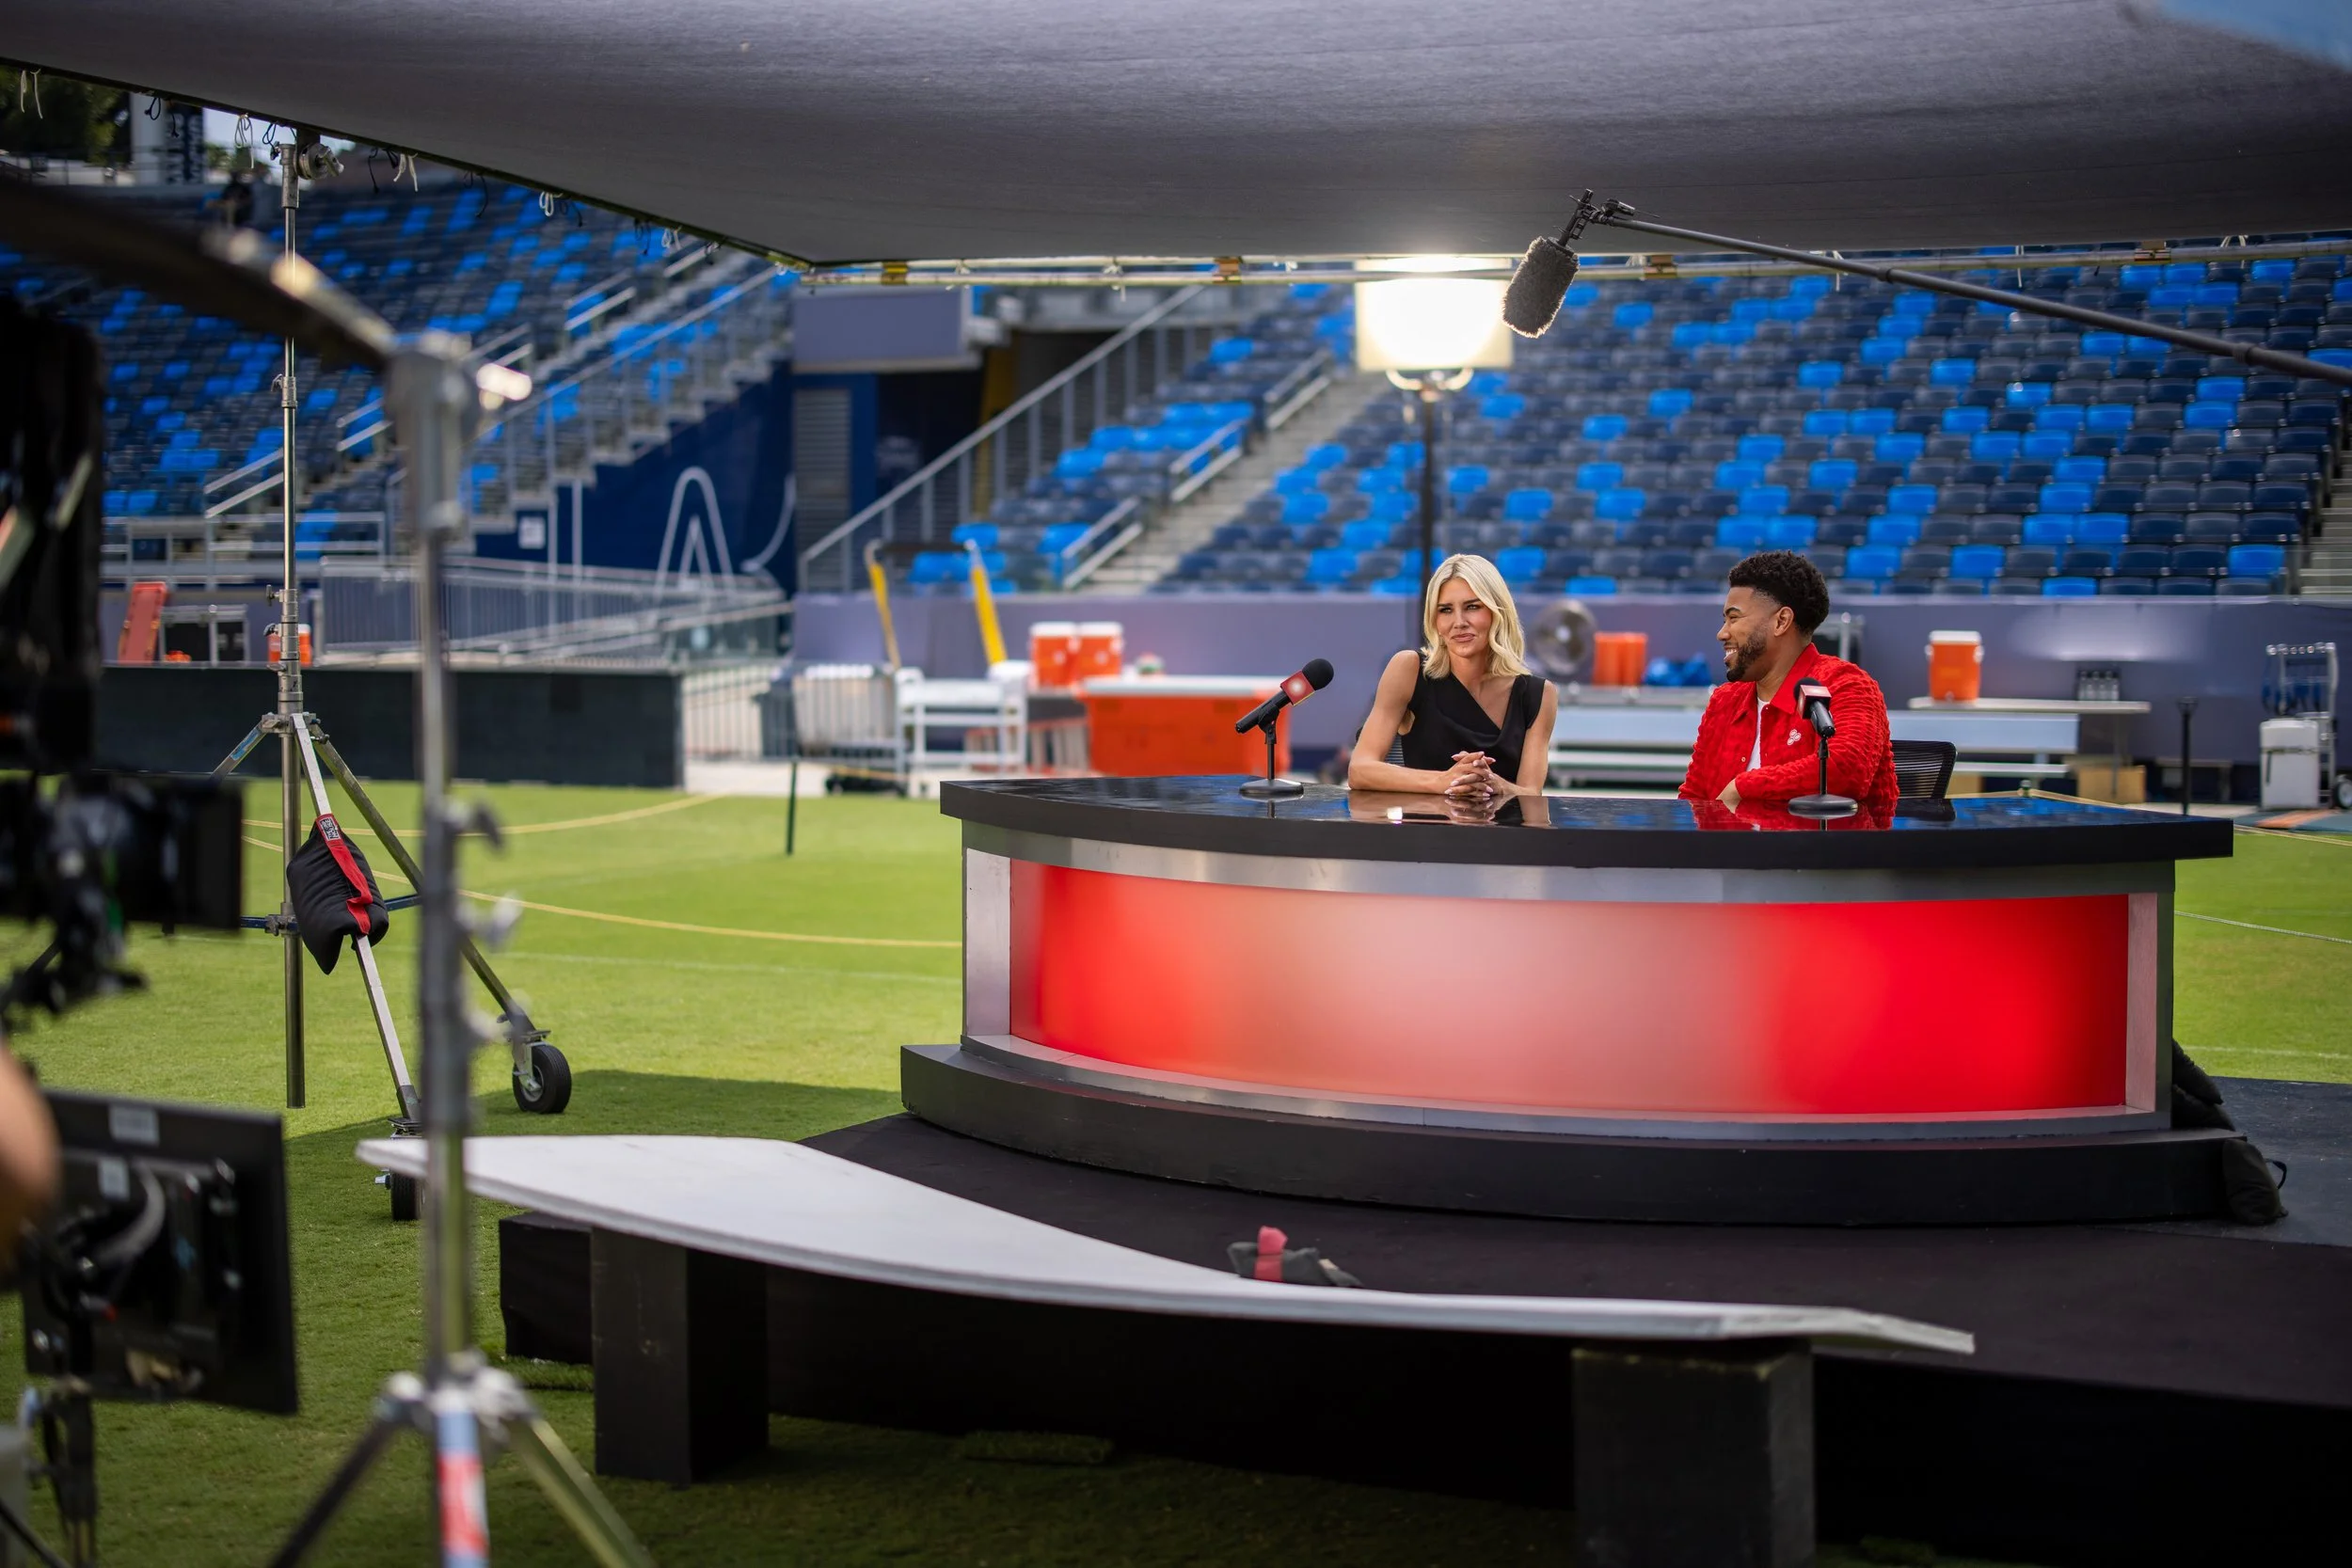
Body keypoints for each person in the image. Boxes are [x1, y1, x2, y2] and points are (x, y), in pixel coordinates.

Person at [1679, 549, 1898, 816]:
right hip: (1731, 857)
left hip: (1826, 856)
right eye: (1724, 620)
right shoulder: (1724, 700)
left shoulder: (1847, 685)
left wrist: (1743, 787)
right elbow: (1692, 800)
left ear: (1781, 621)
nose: (1722, 633)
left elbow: (1845, 772)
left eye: (1734, 618)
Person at [1349, 553, 1558, 800]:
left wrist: (1491, 783)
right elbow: (1360, 770)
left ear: (1496, 611)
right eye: (1445, 610)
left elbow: (1531, 795)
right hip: (1424, 835)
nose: (1458, 622)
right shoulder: (1409, 669)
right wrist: (1445, 781)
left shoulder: (1538, 695)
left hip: (1503, 837)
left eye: (1472, 607)